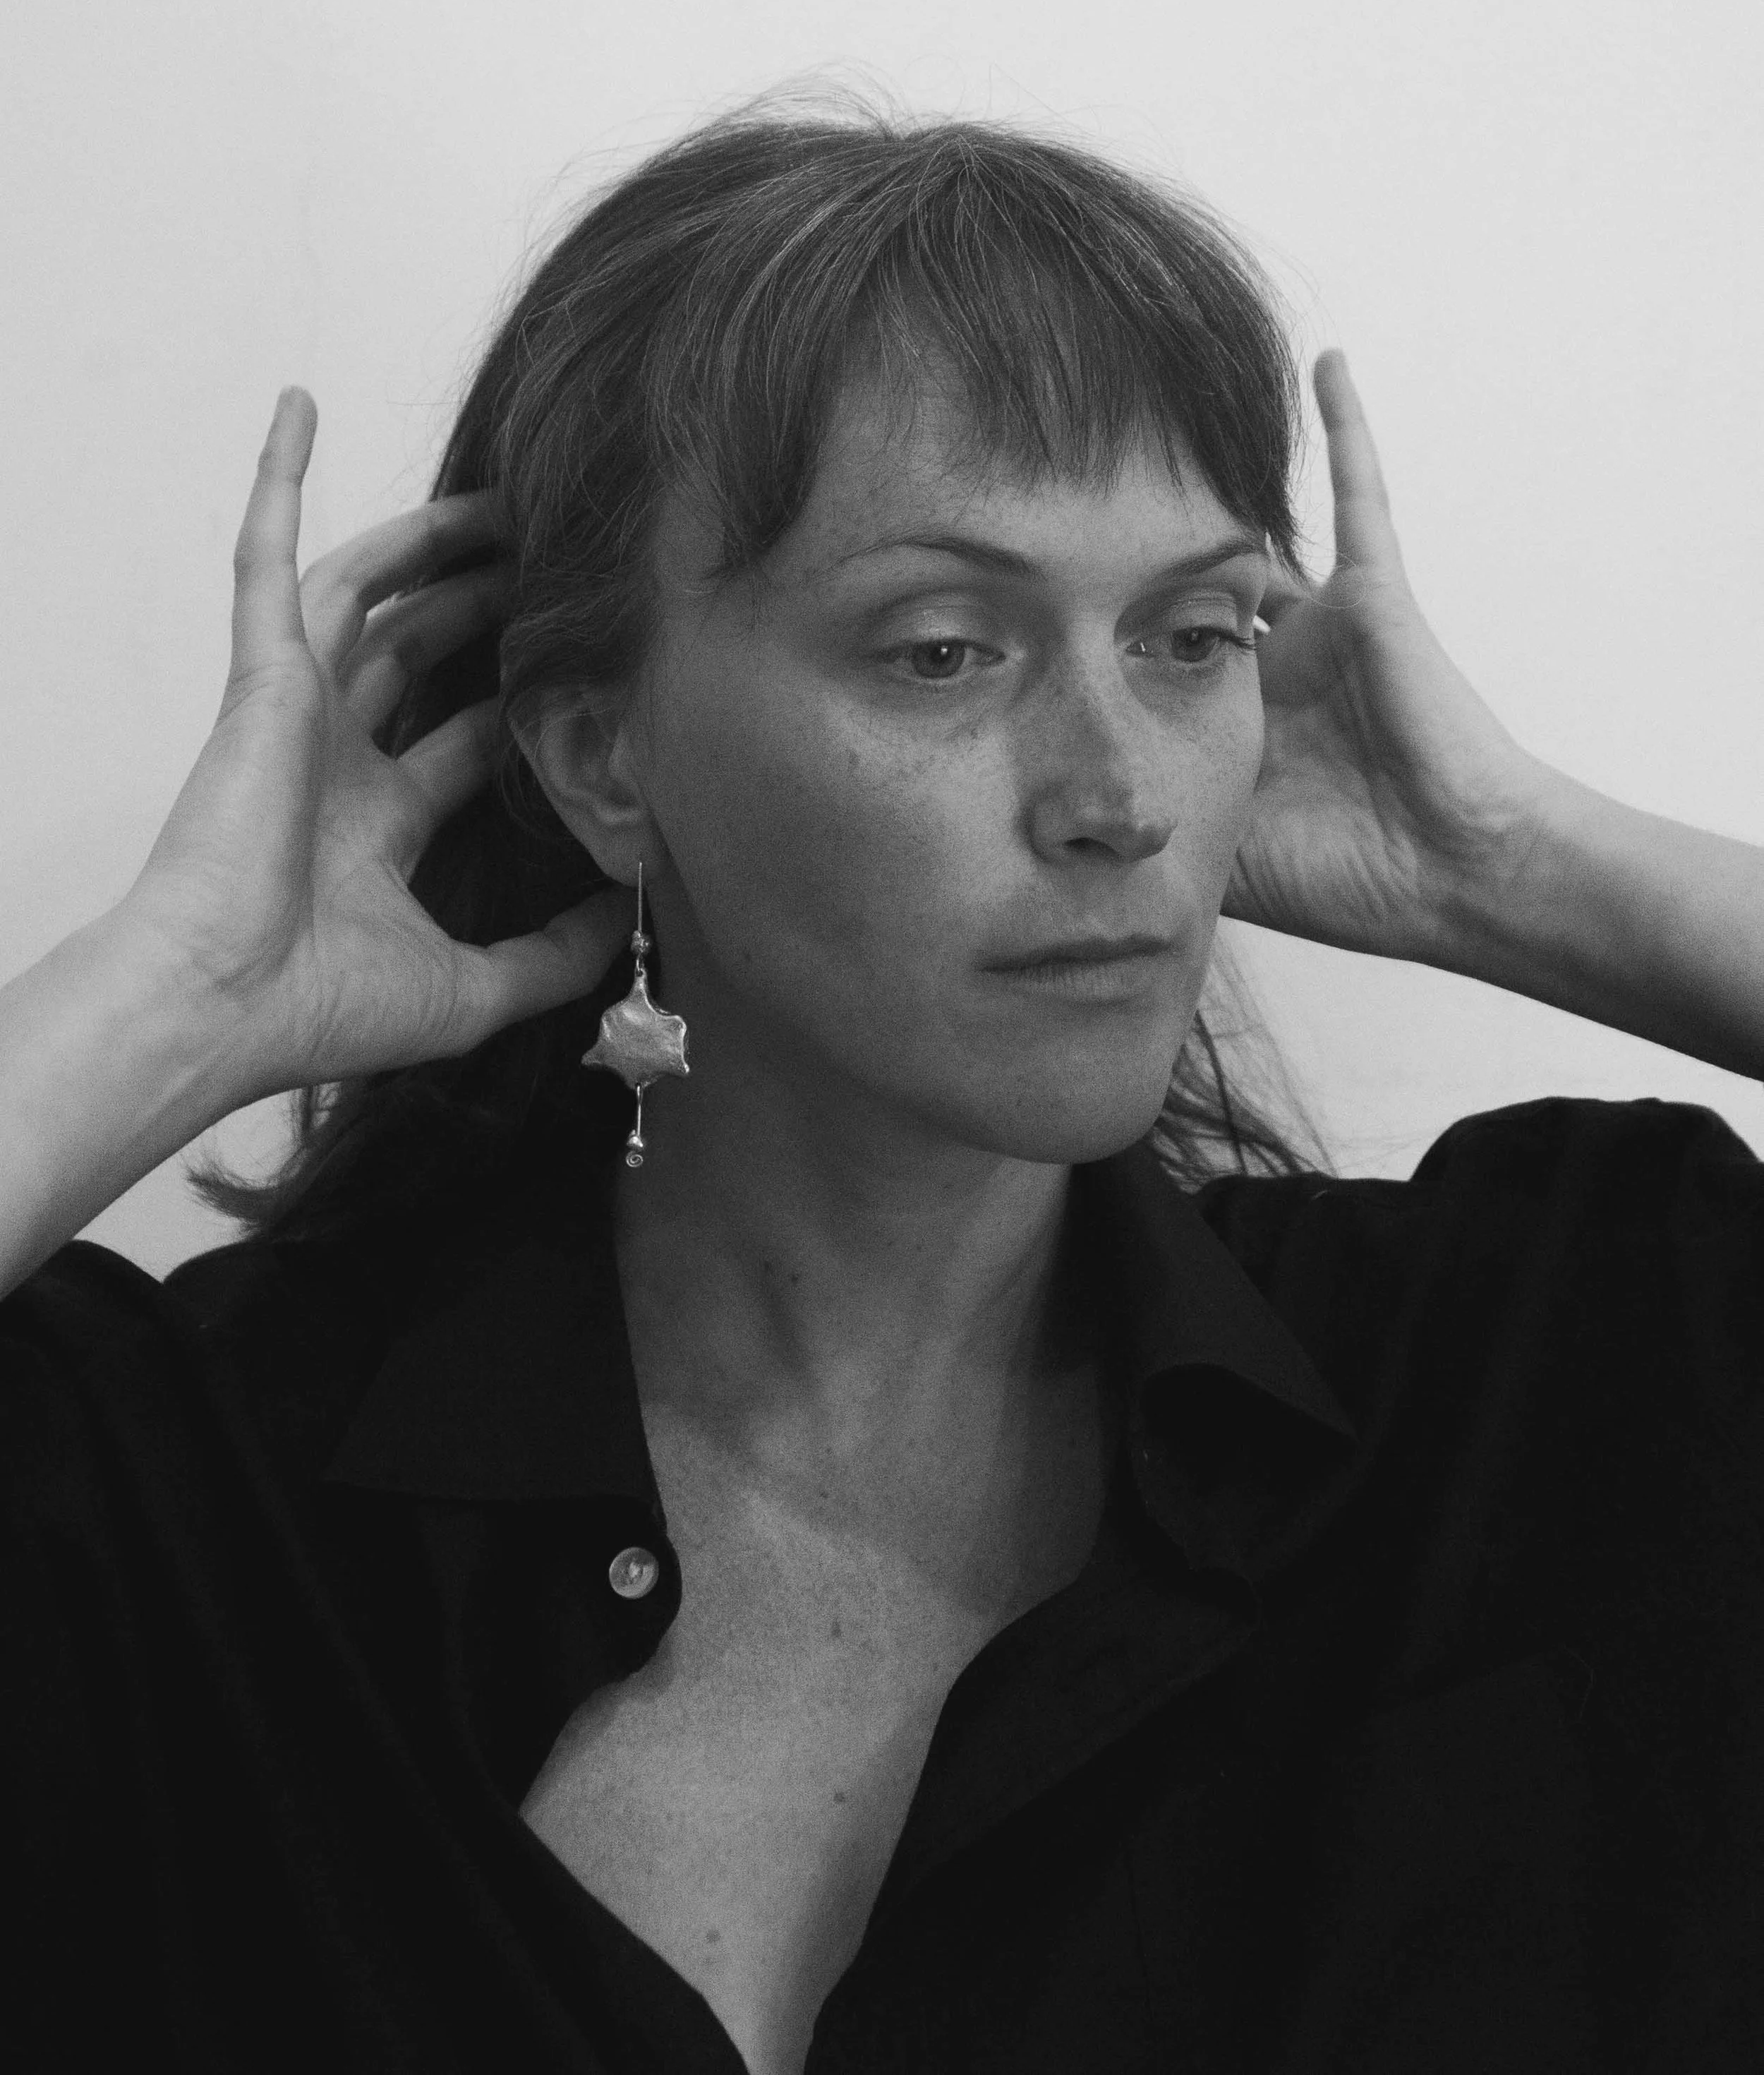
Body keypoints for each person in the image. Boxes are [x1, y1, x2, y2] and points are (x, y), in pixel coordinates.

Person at [2, 104, 1760, 2075]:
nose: (1119, 796)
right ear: (602, 757)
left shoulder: (1553, 1363)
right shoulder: (172, 1509)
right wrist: (182, 990)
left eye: (1196, 638)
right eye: (944, 651)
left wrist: (1505, 860)